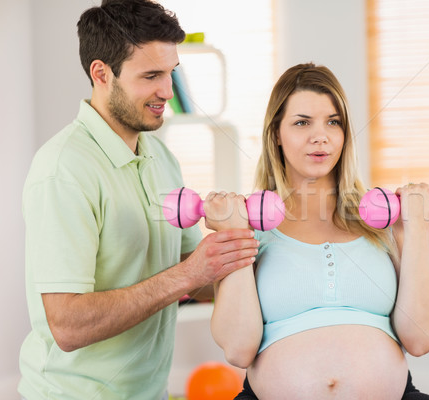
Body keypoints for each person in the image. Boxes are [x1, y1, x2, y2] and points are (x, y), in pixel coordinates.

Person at [18, 1, 258, 399]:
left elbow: (192, 272)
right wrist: (189, 275)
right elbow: (67, 326)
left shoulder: (160, 156)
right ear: (101, 74)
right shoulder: (63, 169)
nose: (167, 91)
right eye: (151, 76)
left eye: (170, 74)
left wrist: (246, 256)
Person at [208, 63, 429, 399]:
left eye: (333, 122)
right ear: (276, 133)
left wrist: (417, 226)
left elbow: (420, 340)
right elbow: (238, 349)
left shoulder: (386, 222)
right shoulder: (248, 226)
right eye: (302, 122)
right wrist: (235, 232)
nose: (320, 136)